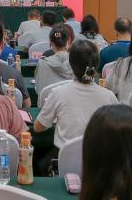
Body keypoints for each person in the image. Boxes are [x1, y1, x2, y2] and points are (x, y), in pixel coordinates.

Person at [34, 41, 118, 173]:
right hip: (99, 162)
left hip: (64, 158)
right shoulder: (109, 96)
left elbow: (38, 128)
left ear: (70, 64)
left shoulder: (58, 93)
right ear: (96, 64)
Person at [34, 25, 74, 96]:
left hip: (47, 102)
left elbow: (38, 89)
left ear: (51, 43)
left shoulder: (42, 63)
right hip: (69, 102)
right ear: (69, 41)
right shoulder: (77, 62)